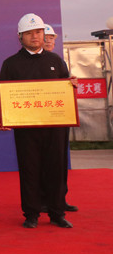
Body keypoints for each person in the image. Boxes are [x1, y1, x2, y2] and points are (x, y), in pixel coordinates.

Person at [0, 14, 74, 229]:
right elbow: (0, 93)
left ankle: (57, 213)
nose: (35, 36)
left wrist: (71, 87)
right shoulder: (11, 64)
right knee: (29, 169)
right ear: (20, 37)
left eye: (38, 32)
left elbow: (65, 89)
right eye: (29, 33)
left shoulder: (55, 61)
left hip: (54, 128)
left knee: (56, 168)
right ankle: (31, 213)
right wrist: (4, 115)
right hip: (26, 129)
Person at [42, 23, 78, 213]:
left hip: (59, 119)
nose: (49, 41)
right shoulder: (28, 62)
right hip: (39, 121)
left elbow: (66, 86)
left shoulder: (58, 61)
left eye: (52, 38)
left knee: (59, 161)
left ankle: (59, 200)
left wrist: (72, 83)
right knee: (41, 163)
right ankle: (42, 200)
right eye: (46, 37)